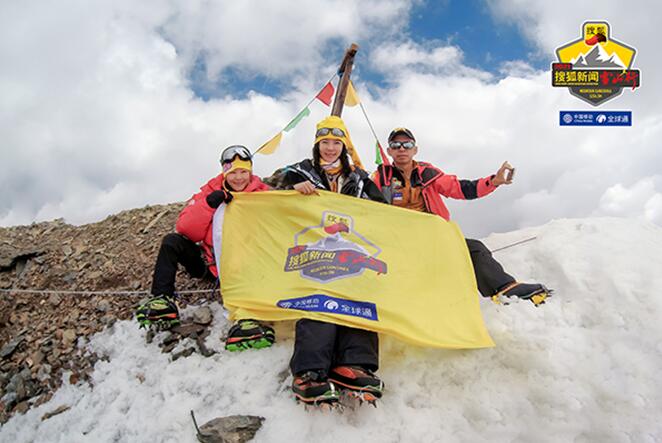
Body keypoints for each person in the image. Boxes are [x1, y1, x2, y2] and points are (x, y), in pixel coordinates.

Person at [372, 127, 551, 306]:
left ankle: (505, 289)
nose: (401, 149)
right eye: (395, 145)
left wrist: (492, 182)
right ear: (389, 151)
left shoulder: (427, 173)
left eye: (407, 144)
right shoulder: (381, 176)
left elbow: (460, 188)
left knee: (474, 248)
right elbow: (366, 205)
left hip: (433, 236)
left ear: (415, 149)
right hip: (397, 240)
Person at [278, 116, 386, 406]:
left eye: (336, 142)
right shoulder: (299, 171)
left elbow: (383, 211)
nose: (329, 148)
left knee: (358, 301)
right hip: (315, 253)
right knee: (319, 301)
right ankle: (309, 372)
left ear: (344, 145)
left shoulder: (359, 178)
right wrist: (294, 186)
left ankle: (355, 365)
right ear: (316, 145)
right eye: (324, 142)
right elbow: (276, 186)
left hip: (350, 254)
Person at [136, 145, 276, 351]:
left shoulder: (264, 195)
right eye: (233, 172)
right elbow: (187, 229)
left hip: (248, 266)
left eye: (243, 172)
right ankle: (161, 300)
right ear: (224, 172)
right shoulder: (210, 191)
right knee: (172, 242)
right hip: (211, 265)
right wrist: (210, 204)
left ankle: (249, 317)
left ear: (251, 171)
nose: (238, 178)